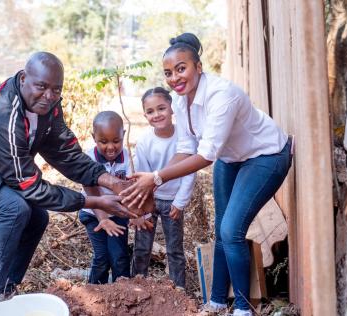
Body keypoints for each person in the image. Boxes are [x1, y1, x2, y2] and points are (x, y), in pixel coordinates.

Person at [0, 52, 135, 316]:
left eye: (56, 89)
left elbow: (66, 153)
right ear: (24, 78)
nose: (48, 95)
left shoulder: (49, 107)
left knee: (37, 216)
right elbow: (31, 187)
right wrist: (93, 201)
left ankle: (6, 292)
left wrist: (112, 182)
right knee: (16, 207)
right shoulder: (5, 116)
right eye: (42, 87)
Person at [121, 33, 292, 316]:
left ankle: (242, 308)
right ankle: (215, 302)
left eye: (181, 68)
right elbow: (187, 148)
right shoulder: (179, 101)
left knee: (231, 230)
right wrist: (152, 180)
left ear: (198, 67)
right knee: (222, 228)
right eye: (168, 73)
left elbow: (206, 155)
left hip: (266, 155)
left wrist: (158, 177)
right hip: (231, 157)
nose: (175, 77)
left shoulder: (221, 95)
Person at [130, 87, 195, 290]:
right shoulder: (145, 142)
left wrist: (180, 201)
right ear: (145, 115)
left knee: (174, 248)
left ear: (172, 108)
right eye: (150, 111)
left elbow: (189, 172)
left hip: (173, 201)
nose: (156, 115)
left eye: (161, 108)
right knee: (142, 245)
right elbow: (142, 177)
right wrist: (142, 208)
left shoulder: (184, 137)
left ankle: (178, 289)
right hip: (150, 200)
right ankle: (137, 284)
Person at [79, 111, 132, 284]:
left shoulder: (128, 157)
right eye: (103, 141)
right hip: (94, 214)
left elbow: (131, 188)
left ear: (123, 135)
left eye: (116, 141)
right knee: (102, 258)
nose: (110, 147)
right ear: (94, 137)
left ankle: (124, 293)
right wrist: (103, 219)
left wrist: (138, 215)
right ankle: (95, 293)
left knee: (119, 257)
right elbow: (92, 192)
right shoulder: (88, 159)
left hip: (117, 213)